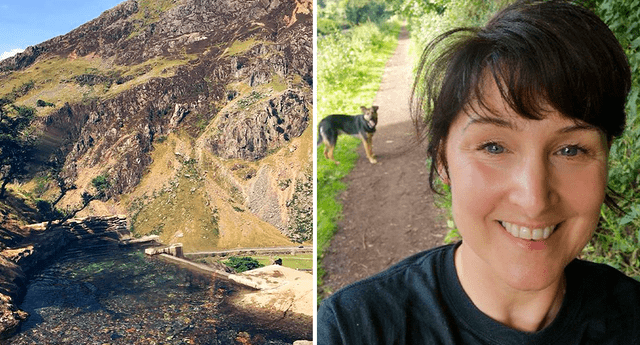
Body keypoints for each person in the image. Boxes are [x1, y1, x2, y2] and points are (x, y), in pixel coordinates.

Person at [316, 0, 640, 343]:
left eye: (571, 150)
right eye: (494, 147)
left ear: (607, 158)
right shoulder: (353, 329)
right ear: (442, 159)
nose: (533, 200)